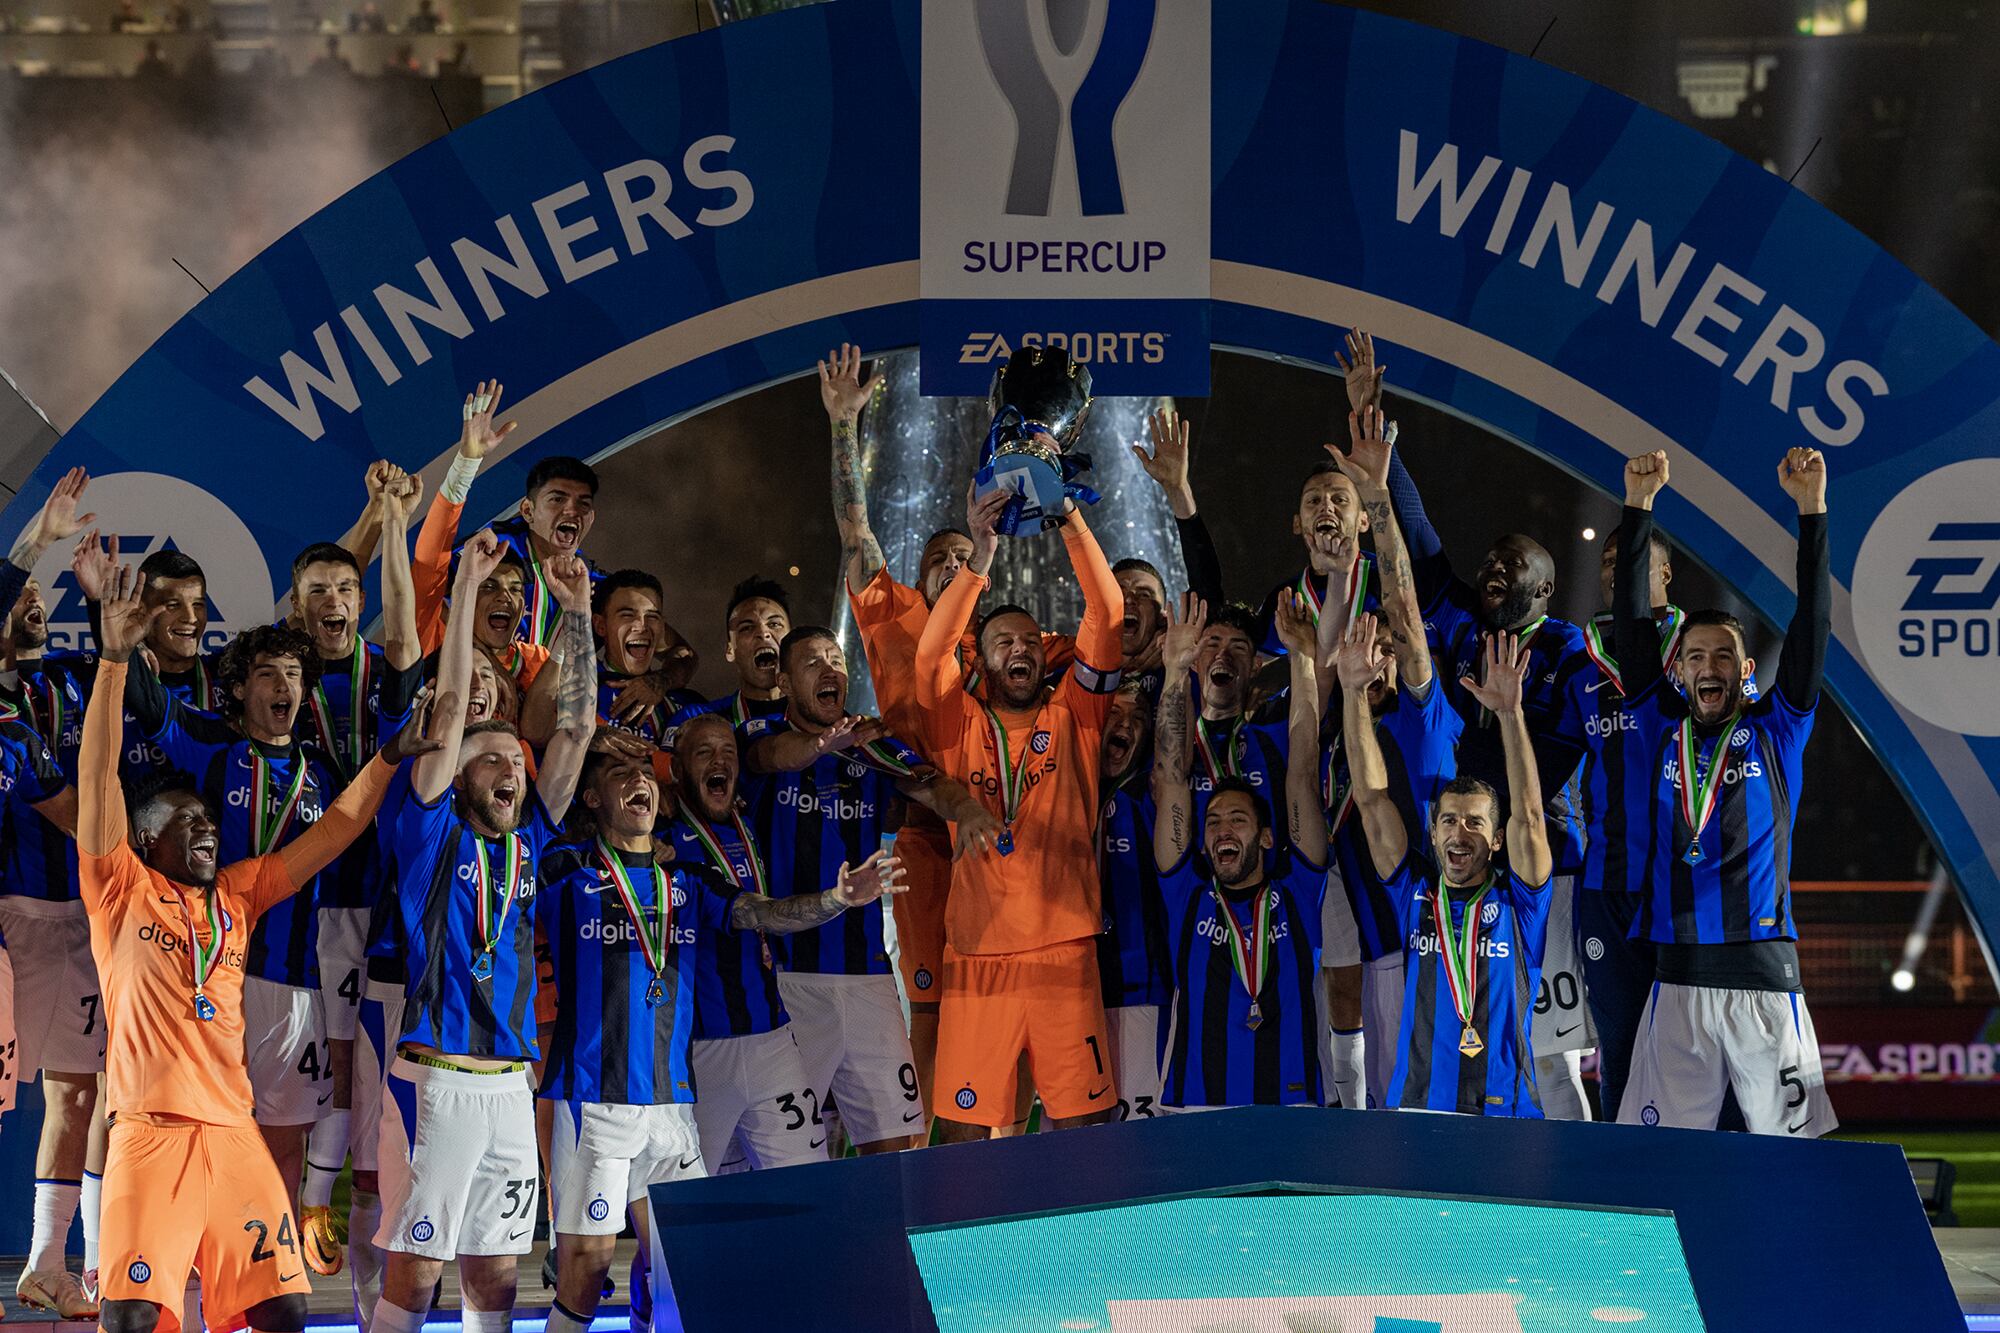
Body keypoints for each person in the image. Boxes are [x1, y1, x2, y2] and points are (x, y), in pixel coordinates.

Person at [84, 561, 428, 1333]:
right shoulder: (117, 887)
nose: (206, 829)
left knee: (284, 1308)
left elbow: (337, 828)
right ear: (144, 840)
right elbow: (99, 767)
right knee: (132, 1315)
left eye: (209, 822)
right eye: (187, 822)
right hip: (151, 1132)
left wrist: (390, 755)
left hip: (235, 1125)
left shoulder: (240, 892)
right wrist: (112, 659)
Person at [537, 745, 902, 1333]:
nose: (639, 781)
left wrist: (836, 900)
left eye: (645, 774)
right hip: (595, 1101)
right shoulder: (565, 871)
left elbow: (763, 913)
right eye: (620, 775)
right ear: (592, 798)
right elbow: (537, 820)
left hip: (674, 1106)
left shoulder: (686, 880)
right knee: (586, 1266)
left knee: (689, 1263)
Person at [1359, 337, 1596, 1118]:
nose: (1492, 568)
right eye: (1490, 559)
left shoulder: (1567, 651)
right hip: (1457, 846)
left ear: (1546, 589)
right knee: (1454, 1025)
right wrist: (1376, 425)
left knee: (1550, 1051)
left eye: (1511, 564)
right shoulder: (1460, 619)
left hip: (1538, 862)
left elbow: (1571, 758)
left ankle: (1565, 1164)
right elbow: (1414, 532)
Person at [368, 528, 595, 1333]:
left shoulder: (529, 840)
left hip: (509, 1086)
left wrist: (578, 616)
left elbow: (576, 730)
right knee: (416, 1274)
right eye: (491, 760)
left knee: (496, 1280)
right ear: (457, 776)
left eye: (515, 764)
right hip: (437, 1080)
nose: (511, 770)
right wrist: (464, 591)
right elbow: (446, 716)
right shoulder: (428, 833)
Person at [1611, 449, 1837, 1138]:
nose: (1707, 665)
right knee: (1660, 1158)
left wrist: (1812, 511)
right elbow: (1632, 629)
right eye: (1694, 656)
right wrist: (1638, 506)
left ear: (1745, 671)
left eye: (1722, 656)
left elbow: (1812, 626)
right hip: (1677, 976)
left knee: (1795, 1161)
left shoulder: (1777, 727)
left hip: (1764, 975)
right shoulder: (1659, 726)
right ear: (1678, 671)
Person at [914, 480, 1121, 1141]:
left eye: (1030, 640)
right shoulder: (957, 723)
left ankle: (1081, 1223)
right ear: (981, 657)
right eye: (1003, 641)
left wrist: (1068, 516)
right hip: (978, 959)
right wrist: (980, 555)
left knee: (1086, 1134)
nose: (1021, 650)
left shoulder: (1076, 716)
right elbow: (930, 653)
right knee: (962, 1144)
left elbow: (1108, 610)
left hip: (1065, 955)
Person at [739, 626, 992, 1154]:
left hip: (868, 980)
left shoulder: (871, 745)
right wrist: (819, 746)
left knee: (896, 1144)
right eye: (813, 662)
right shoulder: (758, 734)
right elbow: (774, 756)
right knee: (791, 1153)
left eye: (835, 659)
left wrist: (967, 809)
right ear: (784, 681)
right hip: (789, 980)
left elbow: (929, 783)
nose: (830, 669)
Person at [121, 617, 345, 1211]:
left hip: (294, 979)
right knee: (201, 1128)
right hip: (209, 973)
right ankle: (197, 1252)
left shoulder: (324, 773)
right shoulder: (213, 747)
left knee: (284, 1137)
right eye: (267, 674)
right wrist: (109, 622)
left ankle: (270, 1250)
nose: (283, 685)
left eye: (293, 674)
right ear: (241, 688)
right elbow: (145, 700)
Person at [292, 475, 426, 1276]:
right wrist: (375, 514)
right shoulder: (282, 671)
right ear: (297, 606)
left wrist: (394, 521)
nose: (334, 601)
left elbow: (402, 620)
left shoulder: (385, 669)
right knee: (314, 1059)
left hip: (379, 902)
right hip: (302, 898)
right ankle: (308, 1199)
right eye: (317, 593)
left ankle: (336, 1210)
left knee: (359, 1062)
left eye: (346, 590)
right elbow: (326, 576)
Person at [1344, 615, 1553, 1117]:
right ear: (1433, 833)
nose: (1460, 833)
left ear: (1497, 840)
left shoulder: (1520, 903)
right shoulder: (1413, 891)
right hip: (1418, 1104)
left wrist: (1510, 715)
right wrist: (1352, 694)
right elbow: (1371, 801)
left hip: (1504, 1110)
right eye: (1449, 822)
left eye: (1475, 824)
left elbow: (1529, 816)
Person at [1318, 407, 1462, 1110]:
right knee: (1389, 1119)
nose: (1374, 652)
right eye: (1360, 643)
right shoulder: (1345, 726)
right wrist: (1346, 684)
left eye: (1383, 645)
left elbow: (1404, 605)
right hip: (1385, 954)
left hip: (1451, 935)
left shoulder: (1425, 714)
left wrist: (1377, 496)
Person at [1, 470, 116, 1317]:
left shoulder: (78, 680)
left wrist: (106, 605)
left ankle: (53, 1261)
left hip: (86, 914)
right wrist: (34, 542)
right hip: (13, 924)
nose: (31, 602)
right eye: (18, 597)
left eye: (40, 595)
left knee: (82, 1090)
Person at [1150, 592, 1329, 1108]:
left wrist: (1303, 657)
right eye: (1213, 821)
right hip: (1199, 1100)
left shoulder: (1297, 893)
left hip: (1290, 1101)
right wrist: (1174, 668)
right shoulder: (1187, 894)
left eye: (1237, 820)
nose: (1223, 829)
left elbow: (1303, 768)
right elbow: (1171, 776)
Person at [667, 715, 833, 1174]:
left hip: (772, 1039)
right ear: (677, 769)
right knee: (688, 1203)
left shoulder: (750, 816)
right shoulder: (660, 838)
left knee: (809, 1182)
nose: (719, 761)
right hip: (698, 1052)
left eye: (728, 752)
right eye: (704, 753)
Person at [1574, 516, 1683, 1122]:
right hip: (1604, 888)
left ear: (1665, 572)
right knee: (1617, 1045)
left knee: (1685, 1045)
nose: (1619, 571)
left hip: (1682, 887)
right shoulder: (1581, 666)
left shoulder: (1700, 653)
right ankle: (1622, 1165)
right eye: (1611, 562)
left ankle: (1695, 1164)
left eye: (1634, 561)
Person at [1093, 682, 1169, 1119]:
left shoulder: (1149, 794)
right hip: (1075, 992)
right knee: (1078, 1133)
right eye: (1114, 714)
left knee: (1136, 1133)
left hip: (1140, 988)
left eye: (1137, 719)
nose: (1125, 725)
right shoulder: (1068, 787)